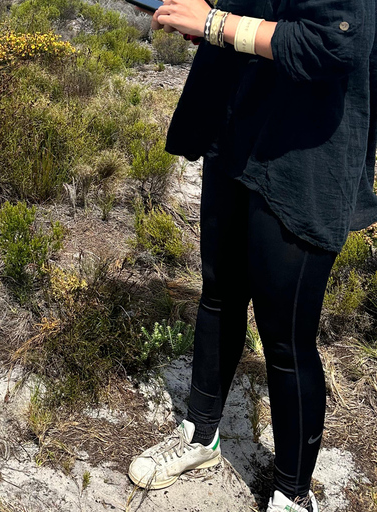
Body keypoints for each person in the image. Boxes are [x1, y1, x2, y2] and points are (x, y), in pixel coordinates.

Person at [126, 1, 377, 511]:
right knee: (218, 294)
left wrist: (216, 24)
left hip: (305, 154)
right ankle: (200, 436)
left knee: (285, 338)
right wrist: (208, 21)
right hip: (238, 128)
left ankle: (292, 493)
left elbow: (333, 41)